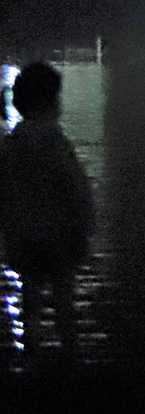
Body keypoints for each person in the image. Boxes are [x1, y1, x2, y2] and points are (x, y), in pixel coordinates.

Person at [0, 62, 94, 356]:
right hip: (59, 238)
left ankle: (32, 362)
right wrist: (85, 227)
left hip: (24, 237)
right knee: (64, 303)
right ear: (52, 101)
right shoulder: (56, 143)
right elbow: (77, 188)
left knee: (31, 302)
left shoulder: (12, 145)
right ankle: (70, 363)